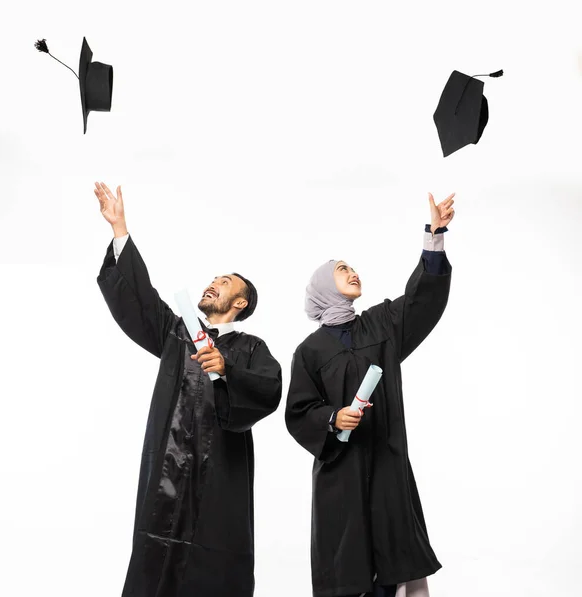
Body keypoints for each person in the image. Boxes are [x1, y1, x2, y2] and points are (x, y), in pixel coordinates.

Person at [93, 182, 283, 597]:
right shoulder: (178, 333)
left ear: (241, 303)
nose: (213, 283)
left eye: (226, 282)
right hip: (167, 477)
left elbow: (269, 390)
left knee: (212, 568)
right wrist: (120, 230)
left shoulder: (251, 348)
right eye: (213, 278)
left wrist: (229, 369)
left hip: (219, 484)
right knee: (156, 564)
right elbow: (140, 302)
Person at [285, 193, 455, 597]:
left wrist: (434, 236)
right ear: (323, 286)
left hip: (386, 461)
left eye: (354, 268)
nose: (353, 273)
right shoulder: (310, 350)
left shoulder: (381, 324)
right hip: (340, 472)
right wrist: (332, 418)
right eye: (342, 270)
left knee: (393, 563)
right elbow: (298, 410)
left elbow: (421, 301)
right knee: (348, 565)